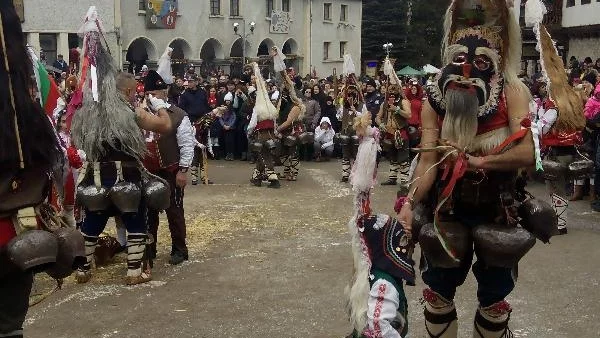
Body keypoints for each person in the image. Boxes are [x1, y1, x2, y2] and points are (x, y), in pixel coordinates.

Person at [397, 1, 555, 336]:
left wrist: (481, 161)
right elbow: (427, 161)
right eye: (460, 59)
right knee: (438, 295)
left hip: (498, 209)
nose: (468, 70)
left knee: (494, 302)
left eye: (481, 61)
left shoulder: (512, 92)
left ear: (494, 61)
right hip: (447, 208)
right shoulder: (434, 98)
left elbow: (529, 153)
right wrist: (409, 204)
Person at [71, 7, 173, 286]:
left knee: (93, 220)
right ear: (128, 91)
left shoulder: (88, 113)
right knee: (134, 217)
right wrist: (160, 107)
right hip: (126, 175)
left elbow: (75, 137)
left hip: (95, 175)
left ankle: (83, 269)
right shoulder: (131, 111)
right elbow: (164, 127)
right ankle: (133, 272)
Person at [0, 2, 65, 335]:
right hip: (18, 229)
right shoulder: (32, 78)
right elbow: (54, 153)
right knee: (10, 325)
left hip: (15, 227)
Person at [344, 112, 415, 338]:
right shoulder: (384, 283)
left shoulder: (375, 274)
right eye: (402, 241)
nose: (408, 248)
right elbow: (378, 329)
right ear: (389, 249)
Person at [143, 70, 196, 266]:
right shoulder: (141, 114)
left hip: (170, 170)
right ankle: (149, 248)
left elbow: (186, 144)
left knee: (174, 210)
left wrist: (183, 171)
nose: (151, 97)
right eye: (148, 93)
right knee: (148, 213)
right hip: (147, 172)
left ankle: (179, 249)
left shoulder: (177, 115)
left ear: (164, 93)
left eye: (155, 93)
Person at [273, 47, 306, 182]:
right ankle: (287, 171)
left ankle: (294, 172)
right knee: (283, 153)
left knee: (292, 152)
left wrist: (277, 129)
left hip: (292, 131)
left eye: (286, 92)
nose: (284, 93)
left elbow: (288, 122)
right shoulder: (282, 103)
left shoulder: (296, 106)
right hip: (283, 130)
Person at [247, 62, 280, 188]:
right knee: (262, 156)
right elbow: (275, 121)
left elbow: (252, 124)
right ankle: (256, 177)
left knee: (264, 156)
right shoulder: (270, 106)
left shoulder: (258, 108)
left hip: (262, 134)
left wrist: (249, 133)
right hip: (271, 134)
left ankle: (274, 180)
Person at [336, 54, 365, 182]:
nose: (350, 94)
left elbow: (365, 117)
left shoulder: (361, 104)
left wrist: (356, 112)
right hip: (345, 130)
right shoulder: (343, 104)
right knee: (345, 153)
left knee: (356, 153)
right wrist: (339, 108)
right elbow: (339, 117)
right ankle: (345, 174)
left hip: (356, 130)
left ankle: (355, 173)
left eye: (353, 91)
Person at [376, 84, 411, 186]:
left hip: (401, 132)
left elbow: (409, 114)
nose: (392, 91)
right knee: (392, 157)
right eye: (390, 89)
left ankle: (405, 180)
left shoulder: (404, 102)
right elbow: (378, 117)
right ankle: (392, 178)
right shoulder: (384, 104)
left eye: (394, 89)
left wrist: (397, 109)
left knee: (403, 157)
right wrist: (380, 124)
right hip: (389, 133)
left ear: (399, 90)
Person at [300, 87, 321, 161]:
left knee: (310, 141)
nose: (308, 93)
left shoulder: (314, 102)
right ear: (304, 92)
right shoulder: (300, 102)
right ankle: (301, 156)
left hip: (311, 123)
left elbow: (318, 112)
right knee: (302, 139)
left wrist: (314, 122)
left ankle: (309, 156)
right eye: (306, 92)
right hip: (302, 123)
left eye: (309, 92)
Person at [220, 92, 237, 161]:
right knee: (226, 141)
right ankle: (227, 154)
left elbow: (234, 118)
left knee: (231, 141)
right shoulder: (222, 108)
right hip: (224, 127)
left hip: (231, 128)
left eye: (229, 101)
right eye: (226, 100)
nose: (227, 102)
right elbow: (220, 118)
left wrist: (229, 126)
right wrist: (223, 125)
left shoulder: (232, 109)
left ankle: (232, 154)